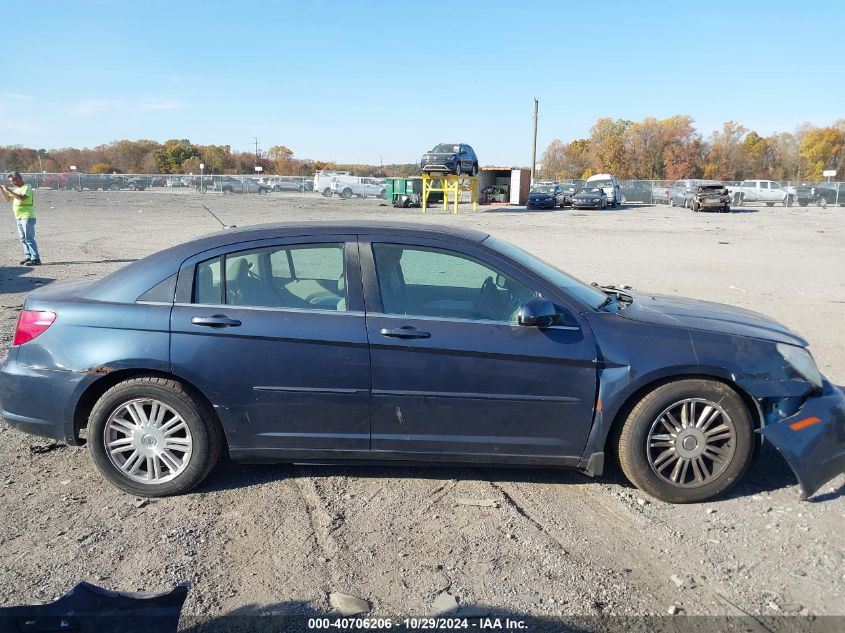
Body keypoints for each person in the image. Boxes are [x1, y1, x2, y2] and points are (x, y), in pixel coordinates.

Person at [1, 171, 40, 265]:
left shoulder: (27, 187)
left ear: (18, 178)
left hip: (27, 216)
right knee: (23, 238)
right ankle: (28, 256)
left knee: (29, 238)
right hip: (19, 217)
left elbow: (22, 198)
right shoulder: (16, 189)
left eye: (13, 181)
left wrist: (9, 191)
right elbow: (7, 199)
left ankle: (35, 258)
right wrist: (2, 190)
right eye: (11, 181)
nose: (12, 183)